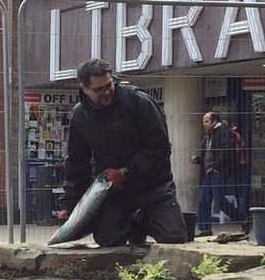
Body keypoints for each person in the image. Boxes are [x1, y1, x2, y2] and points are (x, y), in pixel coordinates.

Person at [59, 58, 187, 247]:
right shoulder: (80, 116)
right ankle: (133, 225)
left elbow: (159, 149)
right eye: (99, 90)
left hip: (155, 188)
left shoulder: (139, 102)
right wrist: (69, 205)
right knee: (107, 238)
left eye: (109, 85)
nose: (106, 92)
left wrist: (125, 172)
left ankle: (146, 219)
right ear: (84, 89)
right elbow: (76, 164)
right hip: (115, 194)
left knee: (173, 237)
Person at [192, 111, 234, 237]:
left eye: (206, 121)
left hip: (217, 172)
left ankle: (243, 218)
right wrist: (198, 160)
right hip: (207, 172)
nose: (204, 124)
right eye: (203, 122)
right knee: (203, 201)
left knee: (220, 201)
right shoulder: (208, 136)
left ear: (214, 121)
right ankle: (205, 229)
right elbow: (207, 154)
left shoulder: (223, 132)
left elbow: (225, 151)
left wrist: (215, 167)